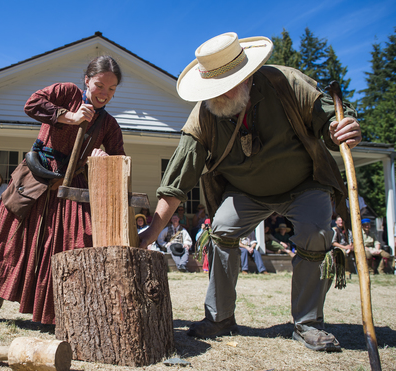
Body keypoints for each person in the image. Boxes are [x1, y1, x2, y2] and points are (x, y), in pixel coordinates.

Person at [139, 32, 362, 352]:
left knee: (314, 232)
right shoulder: (203, 117)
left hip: (304, 183)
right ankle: (220, 318)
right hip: (245, 192)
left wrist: (342, 127)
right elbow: (176, 182)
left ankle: (308, 323)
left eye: (231, 82)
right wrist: (150, 234)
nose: (224, 94)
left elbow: (329, 116)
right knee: (221, 229)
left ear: (248, 74)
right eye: (216, 87)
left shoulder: (286, 83)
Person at [0, 55, 125, 326]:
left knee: (75, 244)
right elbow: (32, 104)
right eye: (99, 85)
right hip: (34, 179)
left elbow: (120, 161)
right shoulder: (67, 93)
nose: (105, 93)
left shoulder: (108, 125)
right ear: (87, 80)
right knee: (10, 241)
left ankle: (63, 316)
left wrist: (102, 160)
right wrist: (69, 116)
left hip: (70, 187)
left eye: (112, 89)